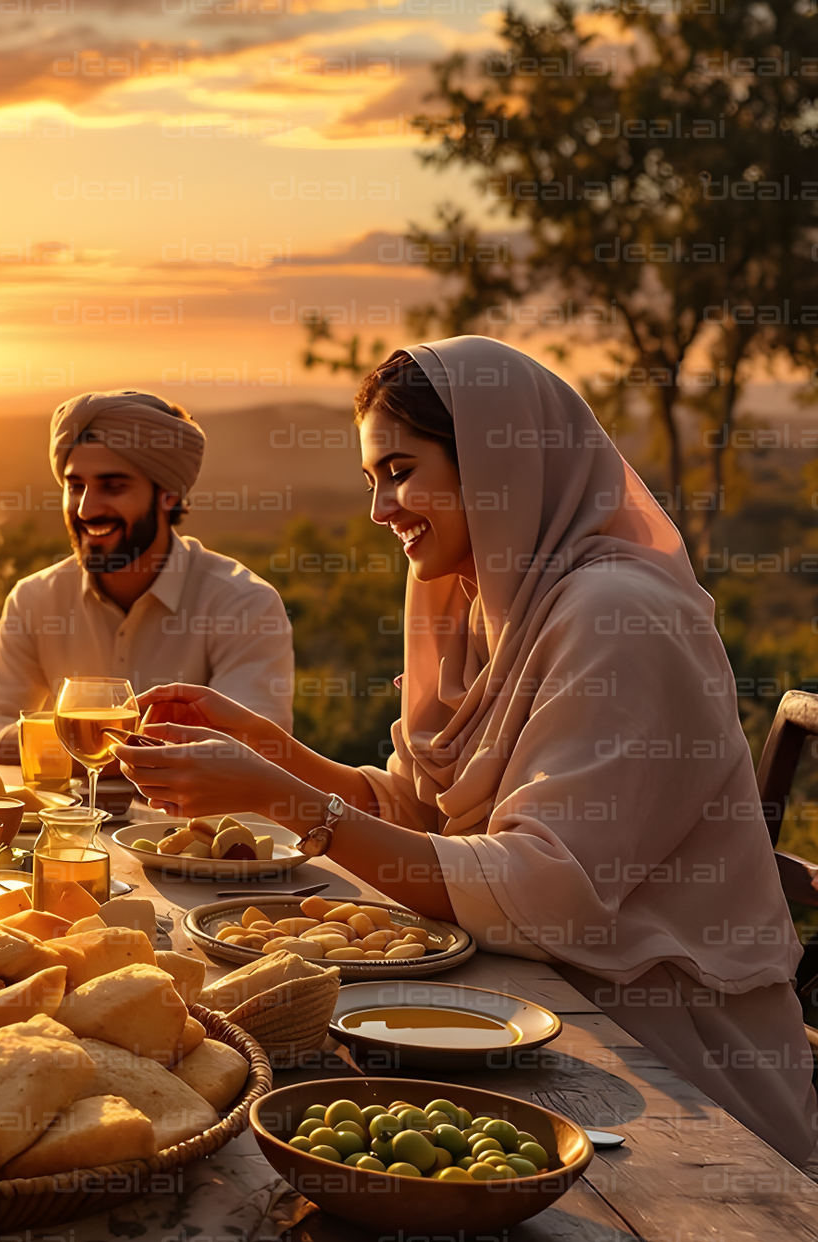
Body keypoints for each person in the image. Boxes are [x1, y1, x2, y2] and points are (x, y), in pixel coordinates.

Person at [119, 338, 817, 1164]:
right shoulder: (481, 596)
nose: (382, 508)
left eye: (402, 471)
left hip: (668, 1075)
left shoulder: (619, 617)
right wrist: (267, 746)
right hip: (515, 1016)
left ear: (497, 466)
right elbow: (420, 813)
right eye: (374, 478)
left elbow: (541, 889)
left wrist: (282, 799)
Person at [0, 388, 294, 764]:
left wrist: (75, 742)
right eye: (76, 487)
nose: (87, 509)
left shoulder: (244, 605)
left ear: (168, 494)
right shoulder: (34, 600)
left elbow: (251, 753)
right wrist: (103, 746)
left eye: (114, 486)